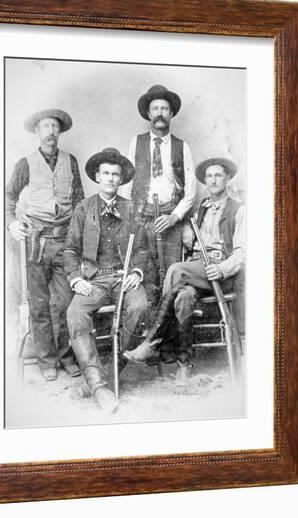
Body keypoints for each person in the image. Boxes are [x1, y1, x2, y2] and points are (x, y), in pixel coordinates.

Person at [124, 157, 245, 385]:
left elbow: (242, 253)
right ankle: (184, 363)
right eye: (209, 176)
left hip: (219, 273)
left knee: (176, 270)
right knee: (184, 297)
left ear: (227, 178)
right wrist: (189, 230)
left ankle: (155, 342)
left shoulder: (239, 210)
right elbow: (194, 242)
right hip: (196, 269)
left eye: (218, 175)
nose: (213, 180)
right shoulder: (202, 209)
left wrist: (221, 269)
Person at [64, 148, 149, 413]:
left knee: (139, 307)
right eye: (106, 174)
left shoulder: (131, 208)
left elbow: (143, 250)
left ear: (121, 179)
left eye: (116, 174)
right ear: (97, 177)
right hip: (95, 279)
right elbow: (70, 249)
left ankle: (101, 377)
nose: (111, 178)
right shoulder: (84, 208)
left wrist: (136, 273)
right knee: (75, 313)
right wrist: (76, 278)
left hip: (124, 277)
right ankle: (101, 388)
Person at [6, 108, 84, 381]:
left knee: (64, 302)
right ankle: (46, 360)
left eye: (55, 127)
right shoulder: (25, 164)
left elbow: (79, 203)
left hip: (64, 241)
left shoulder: (70, 161)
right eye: (46, 127)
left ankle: (66, 357)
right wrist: (11, 223)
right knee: (39, 304)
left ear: (60, 132)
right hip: (36, 242)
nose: (51, 131)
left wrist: (77, 237)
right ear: (37, 132)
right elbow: (8, 196)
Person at [119, 84, 196, 283]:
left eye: (164, 109)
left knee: (172, 278)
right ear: (148, 113)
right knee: (145, 276)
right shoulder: (136, 142)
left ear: (171, 113)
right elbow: (126, 184)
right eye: (155, 109)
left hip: (170, 221)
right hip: (142, 220)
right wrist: (126, 219)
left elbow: (190, 192)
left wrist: (174, 217)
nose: (159, 113)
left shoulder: (182, 147)